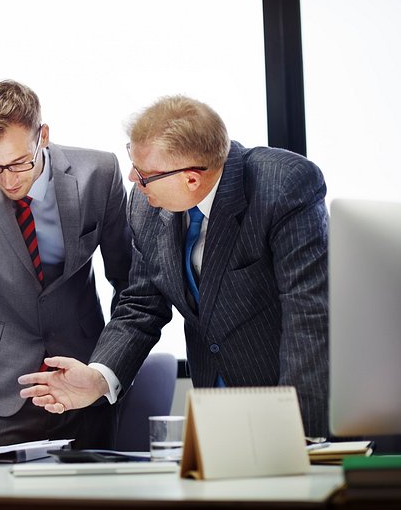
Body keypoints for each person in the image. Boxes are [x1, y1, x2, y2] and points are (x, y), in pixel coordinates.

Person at [19, 94, 330, 438]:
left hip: (292, 402)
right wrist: (98, 377)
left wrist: (300, 429)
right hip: (218, 408)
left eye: (145, 173)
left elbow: (308, 311)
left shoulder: (282, 186)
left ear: (192, 179)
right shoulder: (146, 203)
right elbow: (141, 305)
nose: (132, 178)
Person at [0, 80, 132, 450]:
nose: (9, 179)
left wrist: (105, 369)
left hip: (85, 380)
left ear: (43, 136)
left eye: (19, 162)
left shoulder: (100, 172)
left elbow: (130, 284)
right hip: (0, 388)